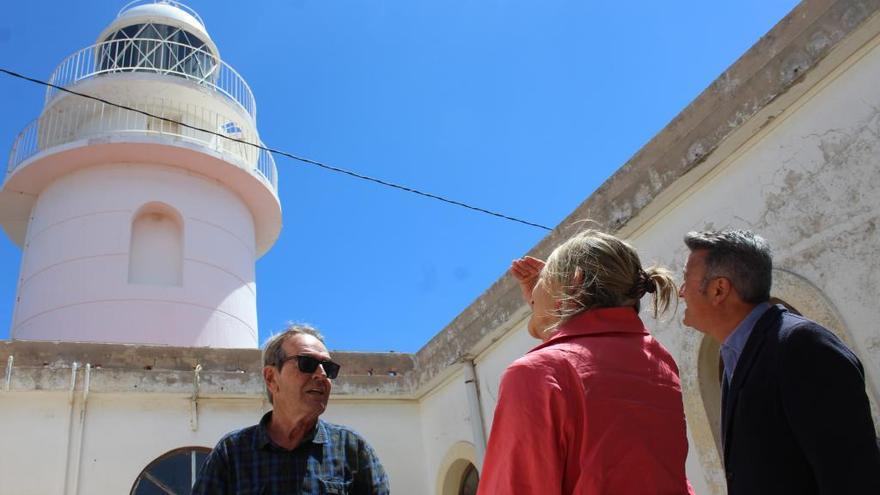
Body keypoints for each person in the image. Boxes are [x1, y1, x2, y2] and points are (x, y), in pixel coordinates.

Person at [478, 230, 694, 495]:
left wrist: (555, 306)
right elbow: (585, 358)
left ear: (573, 283)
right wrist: (556, 300)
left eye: (542, 283)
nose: (532, 295)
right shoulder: (658, 361)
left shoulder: (535, 374)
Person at [679, 230, 880, 494]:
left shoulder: (802, 346)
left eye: (685, 281)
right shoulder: (736, 356)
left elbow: (853, 476)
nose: (681, 293)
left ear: (719, 289)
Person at [193, 324, 390, 494]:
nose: (321, 375)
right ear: (271, 377)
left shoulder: (352, 450)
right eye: (307, 363)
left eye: (329, 369)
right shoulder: (231, 454)